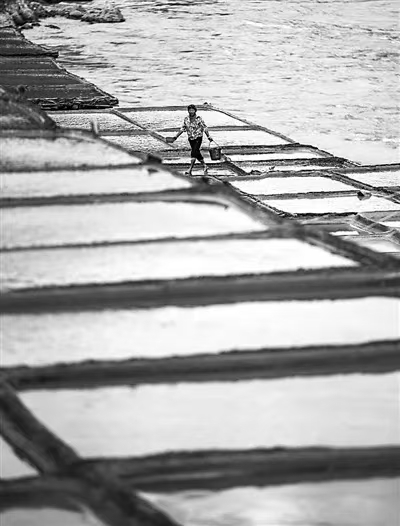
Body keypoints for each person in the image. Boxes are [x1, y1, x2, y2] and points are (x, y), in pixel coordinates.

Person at [170, 104, 213, 175]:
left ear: (195, 111)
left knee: (193, 152)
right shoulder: (186, 119)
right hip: (190, 138)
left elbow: (204, 127)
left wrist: (208, 136)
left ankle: (190, 169)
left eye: (192, 110)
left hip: (198, 137)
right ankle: (205, 165)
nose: (191, 111)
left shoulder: (198, 118)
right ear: (188, 111)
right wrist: (175, 136)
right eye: (190, 110)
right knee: (197, 153)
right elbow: (183, 128)